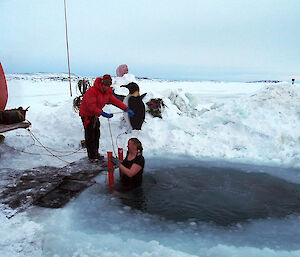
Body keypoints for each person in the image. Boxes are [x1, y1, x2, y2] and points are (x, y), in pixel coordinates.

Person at [79, 74, 134, 162]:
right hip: (87, 115)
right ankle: (92, 157)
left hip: (95, 115)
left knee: (97, 133)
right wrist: (102, 113)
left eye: (108, 85)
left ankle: (95, 153)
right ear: (101, 83)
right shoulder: (92, 91)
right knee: (90, 135)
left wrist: (126, 108)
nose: (106, 87)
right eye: (105, 84)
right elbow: (91, 107)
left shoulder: (107, 92)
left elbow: (115, 101)